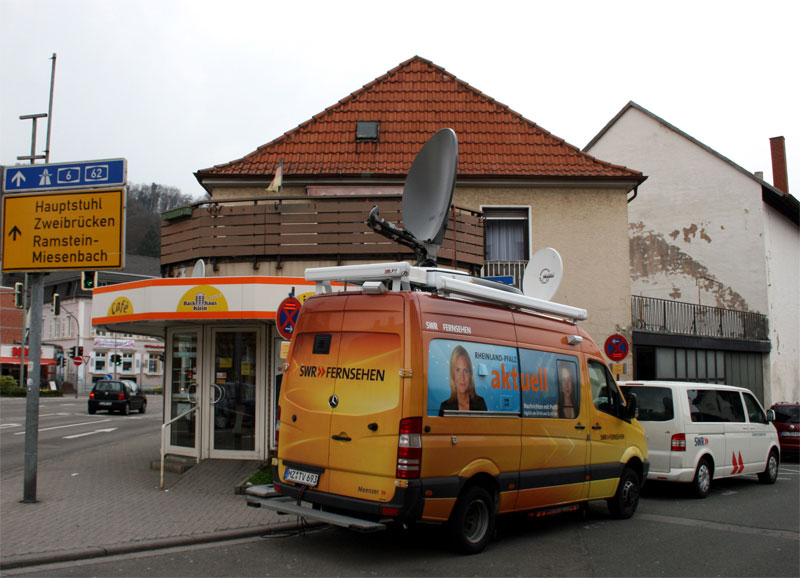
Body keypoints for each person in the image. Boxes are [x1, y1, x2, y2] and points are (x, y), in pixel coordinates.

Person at [439, 345, 487, 414]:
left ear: (470, 374)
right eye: (458, 370)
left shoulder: (480, 403)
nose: (462, 377)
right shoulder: (445, 407)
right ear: (453, 374)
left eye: (465, 371)